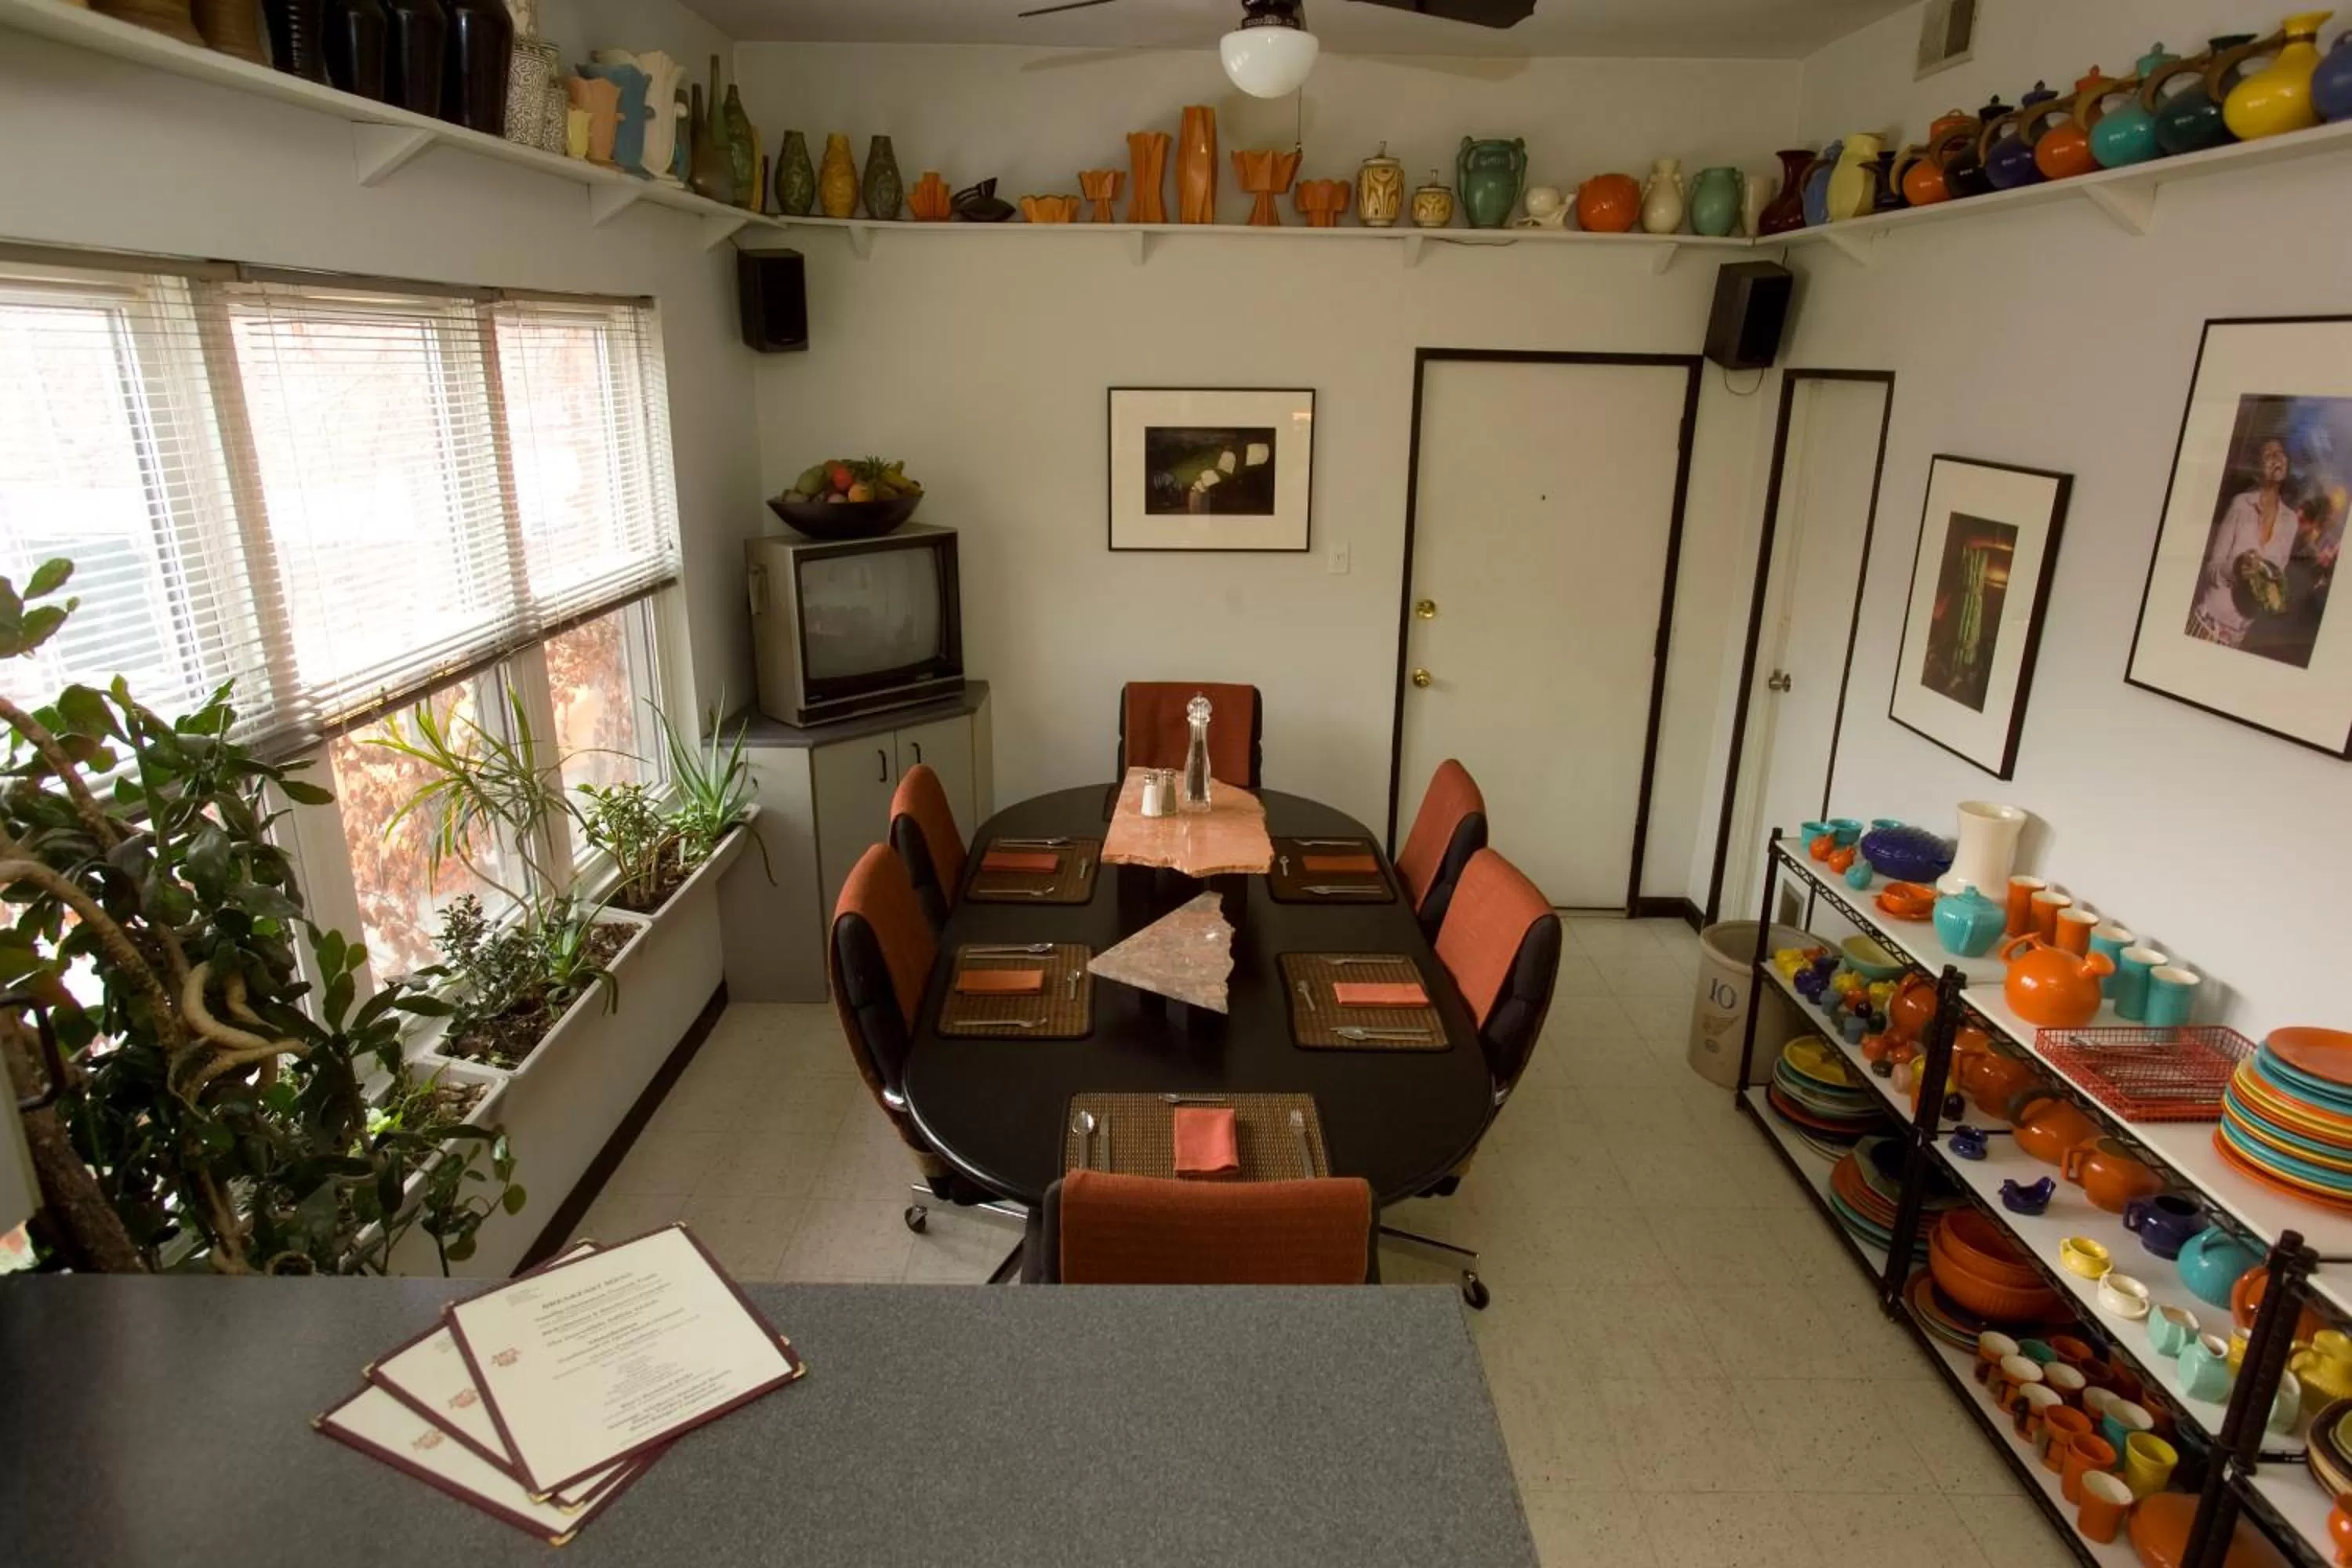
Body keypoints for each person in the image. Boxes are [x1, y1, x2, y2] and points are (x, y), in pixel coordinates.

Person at [2190, 437, 2298, 648]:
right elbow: (2211, 569)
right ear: (2257, 469)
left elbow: (2275, 579)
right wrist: (2237, 568)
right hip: (2207, 625)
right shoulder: (2240, 505)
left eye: (2280, 453)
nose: (2276, 457)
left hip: (2238, 636)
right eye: (2268, 455)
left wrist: (2275, 597)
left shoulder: (2291, 521)